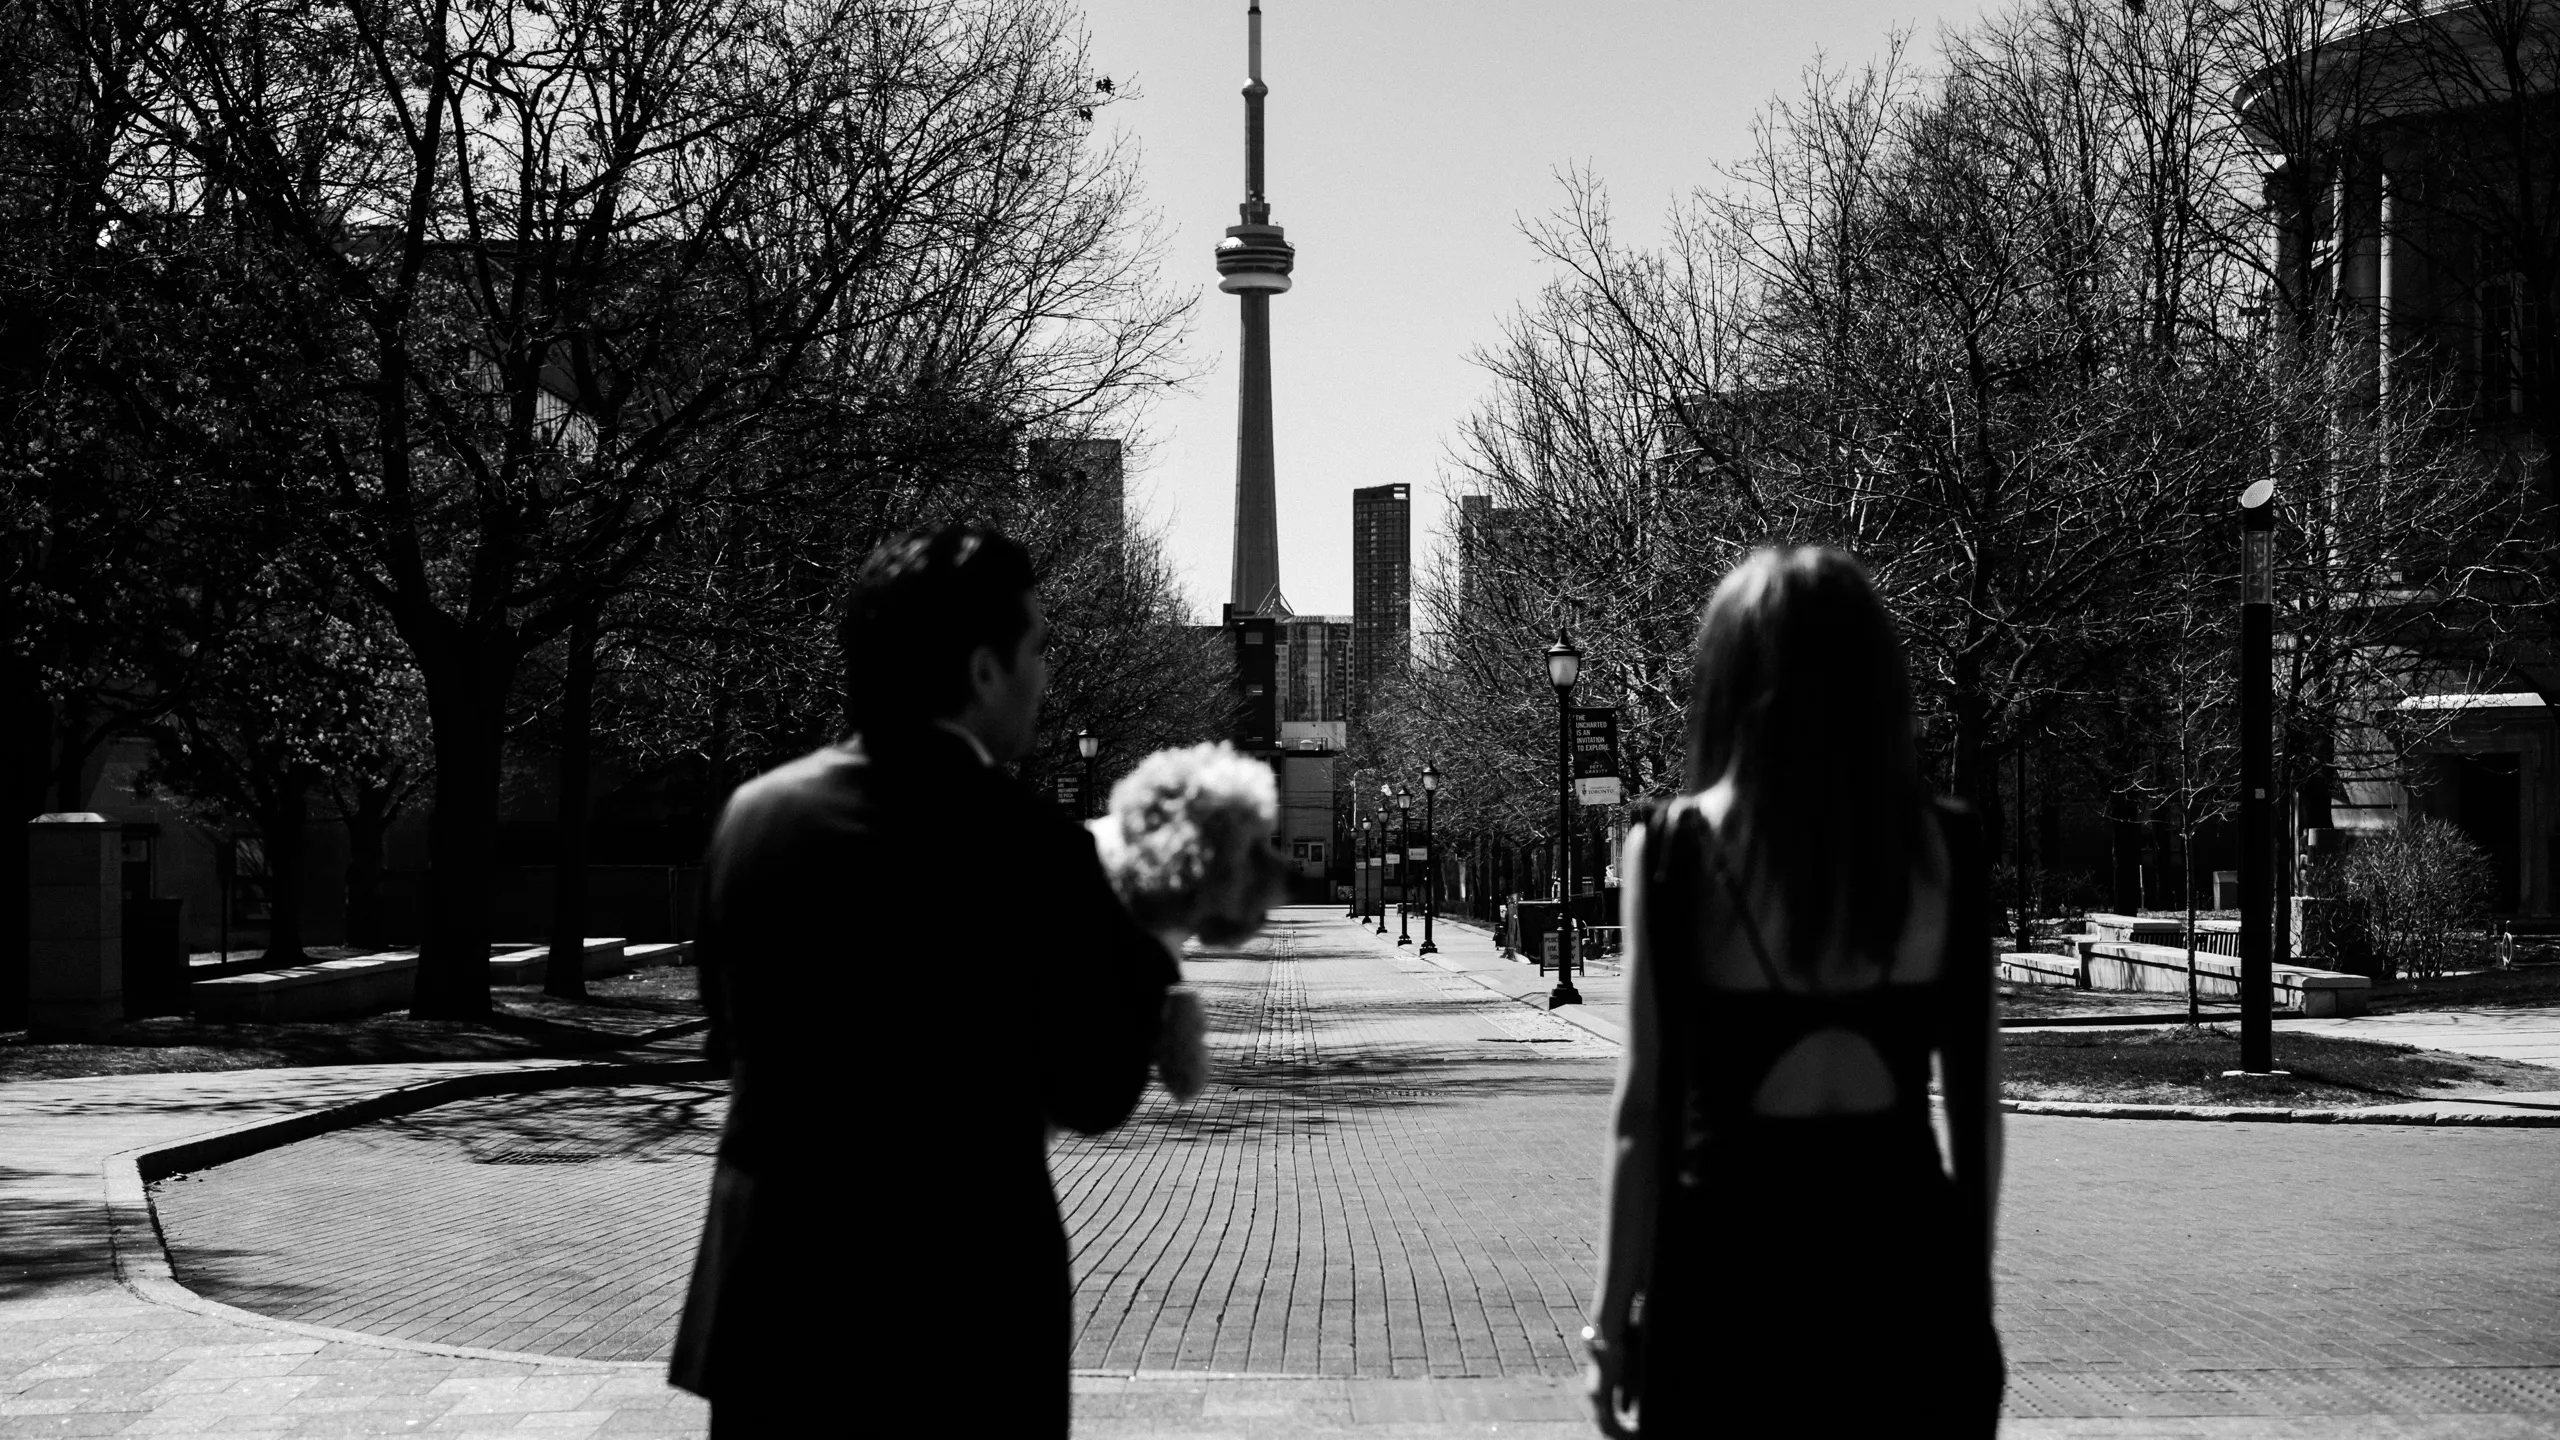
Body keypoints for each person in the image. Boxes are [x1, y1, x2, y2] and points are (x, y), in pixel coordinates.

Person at [670, 525, 1190, 1436]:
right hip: (961, 1331)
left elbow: (729, 1032)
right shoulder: (1035, 852)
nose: (1047, 677)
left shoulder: (753, 821)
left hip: (772, 1320)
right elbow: (1095, 1087)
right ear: (985, 670)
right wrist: (1154, 991)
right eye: (1037, 650)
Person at [1584, 547, 2005, 1437]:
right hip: (1905, 1274)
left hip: (1724, 1280)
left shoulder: (1671, 853)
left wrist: (1614, 1317)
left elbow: (1641, 1112)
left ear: (1729, 677)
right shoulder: (1944, 851)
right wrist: (1970, 1300)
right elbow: (1975, 1108)